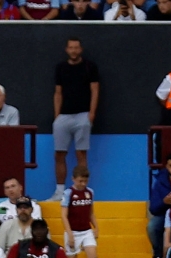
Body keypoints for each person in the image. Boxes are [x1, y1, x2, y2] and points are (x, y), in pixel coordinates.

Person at [50, 38, 99, 201]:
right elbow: (58, 92)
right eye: (71, 47)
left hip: (83, 115)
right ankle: (59, 192)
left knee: (81, 154)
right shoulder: (60, 68)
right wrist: (57, 116)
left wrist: (91, 113)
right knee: (59, 154)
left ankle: (81, 191)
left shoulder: (89, 67)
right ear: (66, 50)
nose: (73, 50)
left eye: (76, 47)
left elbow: (95, 90)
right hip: (63, 116)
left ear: (81, 49)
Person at [59, 165, 98, 258]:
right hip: (73, 231)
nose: (82, 184)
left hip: (86, 230)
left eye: (85, 181)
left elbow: (91, 212)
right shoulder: (68, 193)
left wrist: (96, 227)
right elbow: (64, 215)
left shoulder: (90, 192)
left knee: (93, 257)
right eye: (80, 181)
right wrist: (69, 235)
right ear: (73, 179)